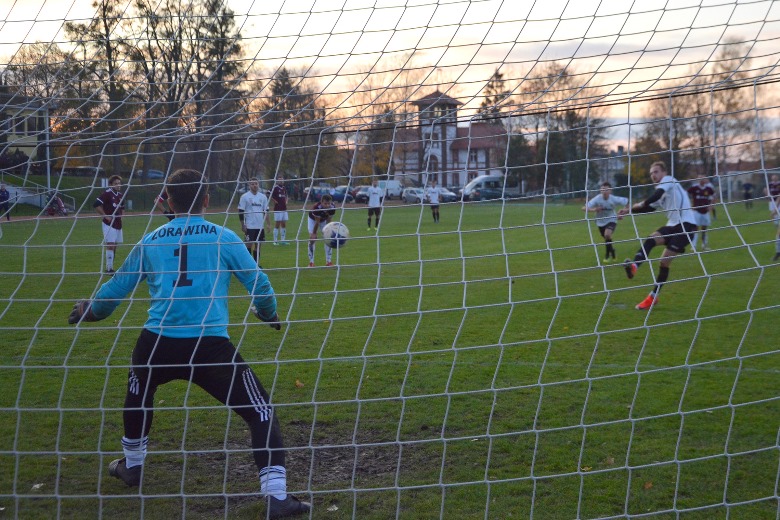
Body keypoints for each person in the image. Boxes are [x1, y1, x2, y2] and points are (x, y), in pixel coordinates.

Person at [66, 169, 310, 518]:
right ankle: (276, 496)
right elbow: (260, 283)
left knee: (139, 389)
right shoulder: (223, 237)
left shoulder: (151, 240)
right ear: (207, 200)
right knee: (261, 412)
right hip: (209, 347)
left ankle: (132, 464)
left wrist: (91, 312)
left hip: (158, 344)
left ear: (166, 199)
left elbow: (115, 290)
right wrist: (267, 313)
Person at [618, 161, 698, 310]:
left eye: (656, 172)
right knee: (651, 240)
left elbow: (654, 197)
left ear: (664, 173)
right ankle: (634, 266)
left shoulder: (669, 180)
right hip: (672, 225)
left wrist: (643, 203)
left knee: (663, 262)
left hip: (686, 226)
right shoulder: (660, 191)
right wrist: (628, 210)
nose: (653, 175)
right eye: (651, 173)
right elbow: (648, 208)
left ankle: (652, 297)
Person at [582, 182, 628, 263]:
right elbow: (583, 208)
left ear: (610, 191)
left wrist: (622, 212)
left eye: (606, 189)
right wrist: (594, 209)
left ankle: (607, 255)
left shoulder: (613, 198)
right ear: (600, 190)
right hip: (600, 222)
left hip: (612, 219)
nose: (604, 191)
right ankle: (612, 251)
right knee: (607, 238)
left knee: (607, 234)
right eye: (602, 189)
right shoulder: (597, 199)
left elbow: (627, 202)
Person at [94, 175, 125, 274]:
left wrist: (122, 216)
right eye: (116, 183)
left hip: (118, 223)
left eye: (119, 183)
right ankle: (108, 269)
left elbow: (122, 207)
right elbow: (96, 204)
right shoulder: (106, 194)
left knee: (115, 246)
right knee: (110, 245)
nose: (118, 185)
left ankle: (111, 266)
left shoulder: (120, 195)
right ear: (110, 185)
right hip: (109, 224)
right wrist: (105, 216)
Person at [238, 177, 270, 266]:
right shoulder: (244, 197)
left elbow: (266, 211)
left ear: (258, 185)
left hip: (260, 226)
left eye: (256, 184)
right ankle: (248, 264)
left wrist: (268, 224)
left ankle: (256, 264)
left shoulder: (263, 197)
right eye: (252, 184)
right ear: (249, 185)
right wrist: (243, 224)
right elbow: (241, 211)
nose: (254, 185)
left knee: (258, 245)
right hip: (250, 226)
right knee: (248, 245)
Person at [686, 173, 716, 250]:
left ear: (705, 179)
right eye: (699, 179)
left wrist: (711, 206)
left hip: (705, 212)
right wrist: (690, 205)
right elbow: (685, 194)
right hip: (696, 211)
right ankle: (694, 246)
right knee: (695, 229)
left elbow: (714, 197)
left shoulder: (708, 189)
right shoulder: (694, 187)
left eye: (703, 178)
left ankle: (704, 245)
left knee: (704, 229)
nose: (701, 180)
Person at [307, 193, 336, 267]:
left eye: (328, 203)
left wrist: (329, 230)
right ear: (321, 202)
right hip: (313, 220)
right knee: (312, 239)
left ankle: (328, 261)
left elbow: (329, 219)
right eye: (325, 203)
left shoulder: (332, 207)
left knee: (328, 238)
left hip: (324, 220)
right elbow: (317, 222)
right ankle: (311, 262)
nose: (327, 205)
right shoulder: (317, 207)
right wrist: (314, 233)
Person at [270, 175, 290, 245]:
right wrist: (275, 201)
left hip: (284, 208)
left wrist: (286, 201)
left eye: (282, 179)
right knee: (277, 224)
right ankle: (275, 241)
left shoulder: (284, 188)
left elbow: (286, 196)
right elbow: (270, 195)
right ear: (277, 181)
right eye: (279, 180)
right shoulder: (275, 188)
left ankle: (283, 240)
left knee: (283, 224)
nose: (281, 181)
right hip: (278, 209)